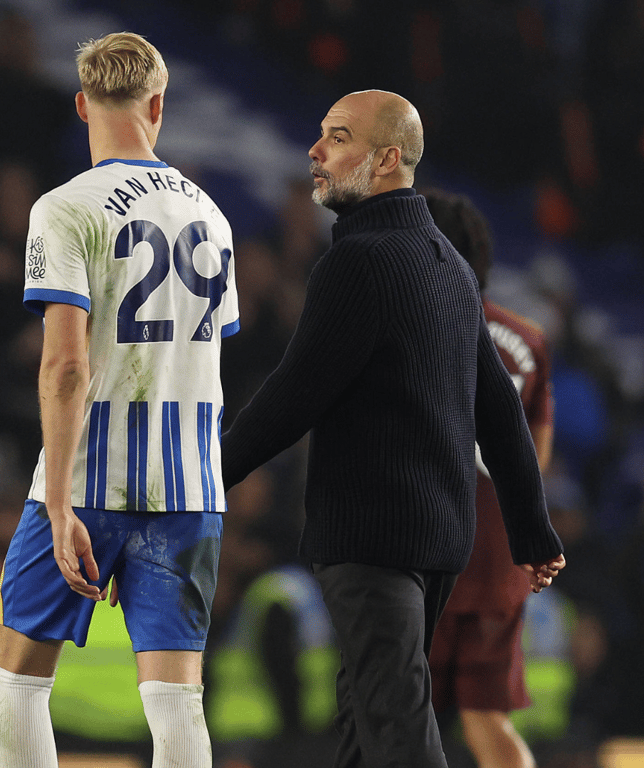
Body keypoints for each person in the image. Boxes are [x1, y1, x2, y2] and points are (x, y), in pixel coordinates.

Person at [220, 89, 564, 768]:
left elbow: (294, 394)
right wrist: (531, 528)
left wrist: (204, 478)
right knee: (366, 713)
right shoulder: (450, 266)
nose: (317, 151)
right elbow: (498, 407)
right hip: (439, 536)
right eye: (320, 134)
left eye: (337, 138)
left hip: (371, 534)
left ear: (383, 161)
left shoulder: (359, 260)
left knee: (396, 717)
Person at [0, 32, 238, 768]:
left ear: (81, 106)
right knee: (176, 701)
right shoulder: (213, 216)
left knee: (18, 679)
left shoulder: (64, 209)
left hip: (91, 477)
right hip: (188, 485)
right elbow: (211, 353)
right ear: (158, 104)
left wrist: (61, 503)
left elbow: (67, 365)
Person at [422, 189, 554, 768]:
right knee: (485, 715)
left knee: (400, 712)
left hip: (427, 552)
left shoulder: (410, 332)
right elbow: (537, 459)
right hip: (501, 558)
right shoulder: (528, 340)